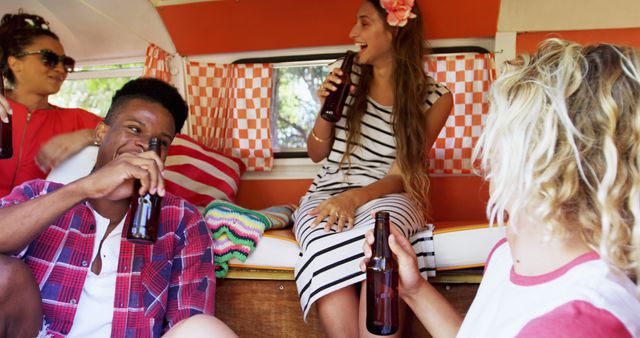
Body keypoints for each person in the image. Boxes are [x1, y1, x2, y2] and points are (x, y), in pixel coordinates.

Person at [362, 38, 640, 337]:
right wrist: (414, 290)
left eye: (497, 131)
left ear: (538, 158)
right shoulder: (507, 254)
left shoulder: (577, 325)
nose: (485, 154)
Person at [0, 78, 237, 338]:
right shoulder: (40, 194)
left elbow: (188, 316)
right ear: (102, 132)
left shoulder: (183, 220)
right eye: (134, 129)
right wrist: (85, 188)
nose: (145, 146)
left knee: (204, 329)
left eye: (161, 142)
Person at [293, 0, 453, 336]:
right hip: (328, 190)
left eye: (364, 23)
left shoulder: (436, 98)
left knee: (385, 241)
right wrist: (325, 110)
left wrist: (354, 199)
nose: (353, 33)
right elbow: (315, 154)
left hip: (387, 193)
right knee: (320, 239)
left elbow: (400, 175)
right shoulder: (345, 74)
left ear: (395, 30)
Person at [0, 11, 103, 197]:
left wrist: (90, 136)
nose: (61, 69)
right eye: (49, 58)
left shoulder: (78, 120)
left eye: (66, 63)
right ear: (15, 63)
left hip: (44, 223)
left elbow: (136, 139)